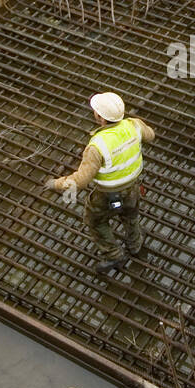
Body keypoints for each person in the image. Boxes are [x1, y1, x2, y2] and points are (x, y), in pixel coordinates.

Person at [49, 92, 155, 275]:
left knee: (95, 221)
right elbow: (150, 136)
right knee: (130, 215)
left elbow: (80, 181)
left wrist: (57, 183)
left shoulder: (97, 145)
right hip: (132, 188)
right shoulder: (134, 126)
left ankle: (113, 254)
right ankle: (135, 245)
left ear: (100, 117)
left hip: (107, 195)